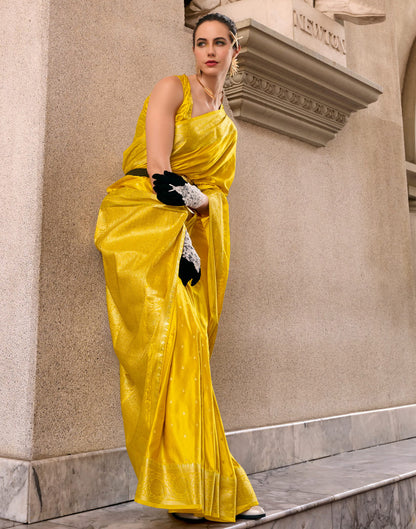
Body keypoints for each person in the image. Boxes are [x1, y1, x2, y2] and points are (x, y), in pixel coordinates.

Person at [94, 12, 265, 524]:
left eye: (220, 43)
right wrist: (181, 237)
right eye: (201, 42)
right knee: (174, 344)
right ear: (194, 50)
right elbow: (160, 172)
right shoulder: (173, 89)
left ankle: (199, 488)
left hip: (191, 231)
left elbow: (217, 196)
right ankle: (196, 489)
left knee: (190, 357)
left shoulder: (227, 127)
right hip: (144, 219)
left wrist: (195, 233)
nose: (209, 50)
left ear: (235, 52)